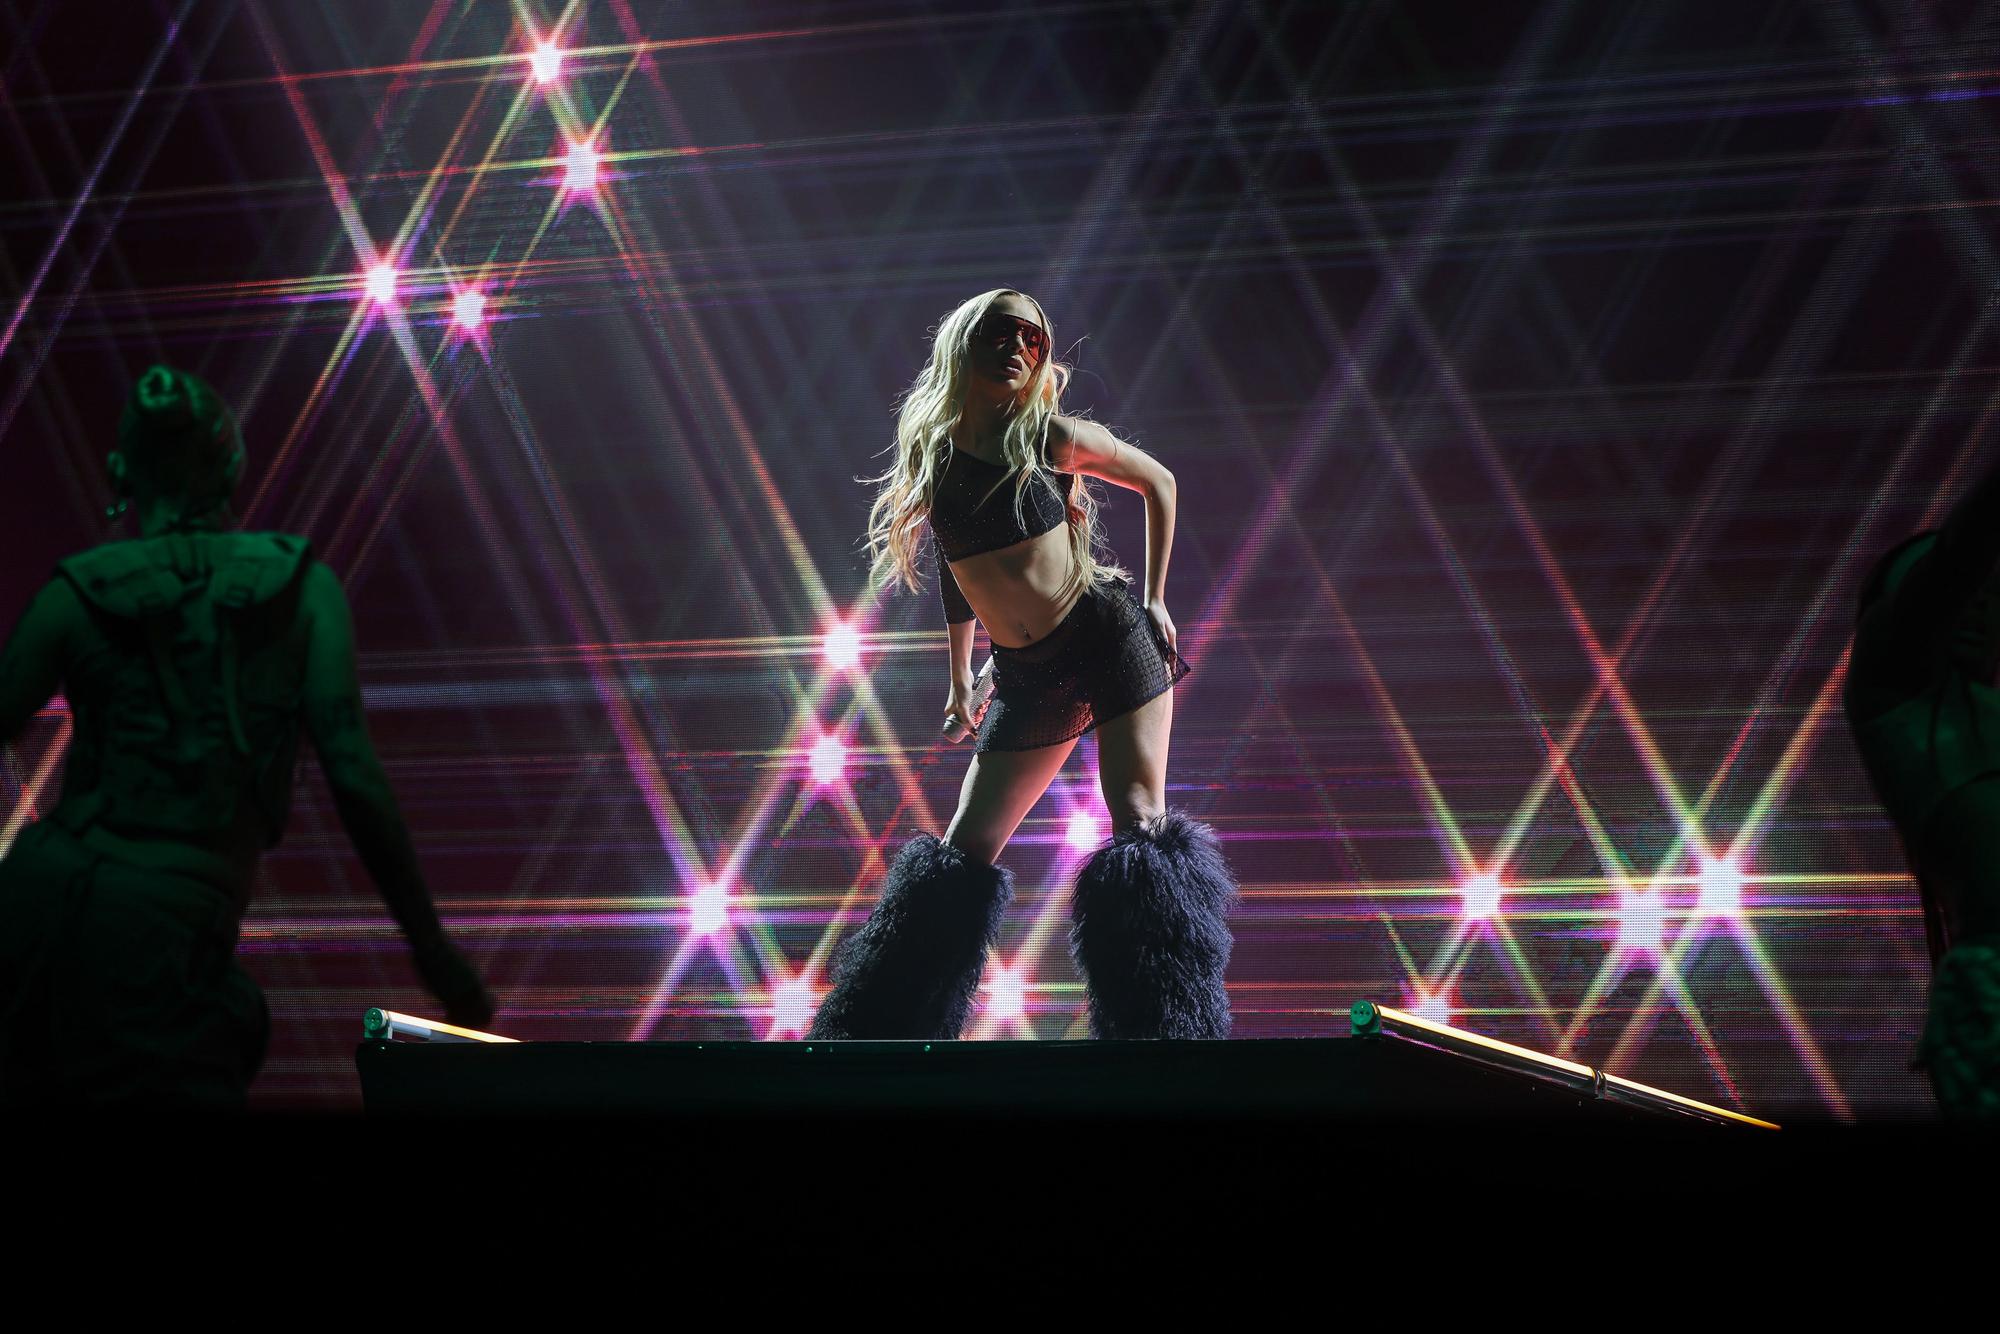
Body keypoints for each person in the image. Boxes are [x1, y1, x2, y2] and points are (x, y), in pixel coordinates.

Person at [0, 364, 493, 1107]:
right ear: (231, 466)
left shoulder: (77, 592)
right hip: (164, 937)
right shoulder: (301, 589)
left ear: (122, 472)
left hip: (34, 920)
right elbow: (351, 770)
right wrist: (431, 949)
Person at [807, 289, 1236, 1041]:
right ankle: (876, 1041)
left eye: (1034, 340)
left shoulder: (1048, 436)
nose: (1019, 348)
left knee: (1138, 821)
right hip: (1025, 675)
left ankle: (1169, 1041)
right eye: (1002, 333)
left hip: (1105, 636)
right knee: (960, 854)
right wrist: (959, 675)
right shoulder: (934, 456)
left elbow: (1158, 482)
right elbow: (958, 563)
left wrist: (1160, 600)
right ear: (966, 342)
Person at [1846, 456, 2000, 1119]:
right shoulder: (1890, 688)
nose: (1974, 603)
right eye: (1953, 592)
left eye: (1989, 596)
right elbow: (1961, 554)